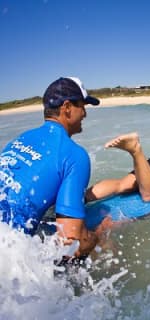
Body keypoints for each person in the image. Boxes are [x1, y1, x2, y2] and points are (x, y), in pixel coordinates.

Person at [0, 77, 111, 260]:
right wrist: (98, 235)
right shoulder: (74, 154)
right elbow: (70, 241)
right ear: (67, 107)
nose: (84, 113)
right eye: (82, 106)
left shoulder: (20, 138)